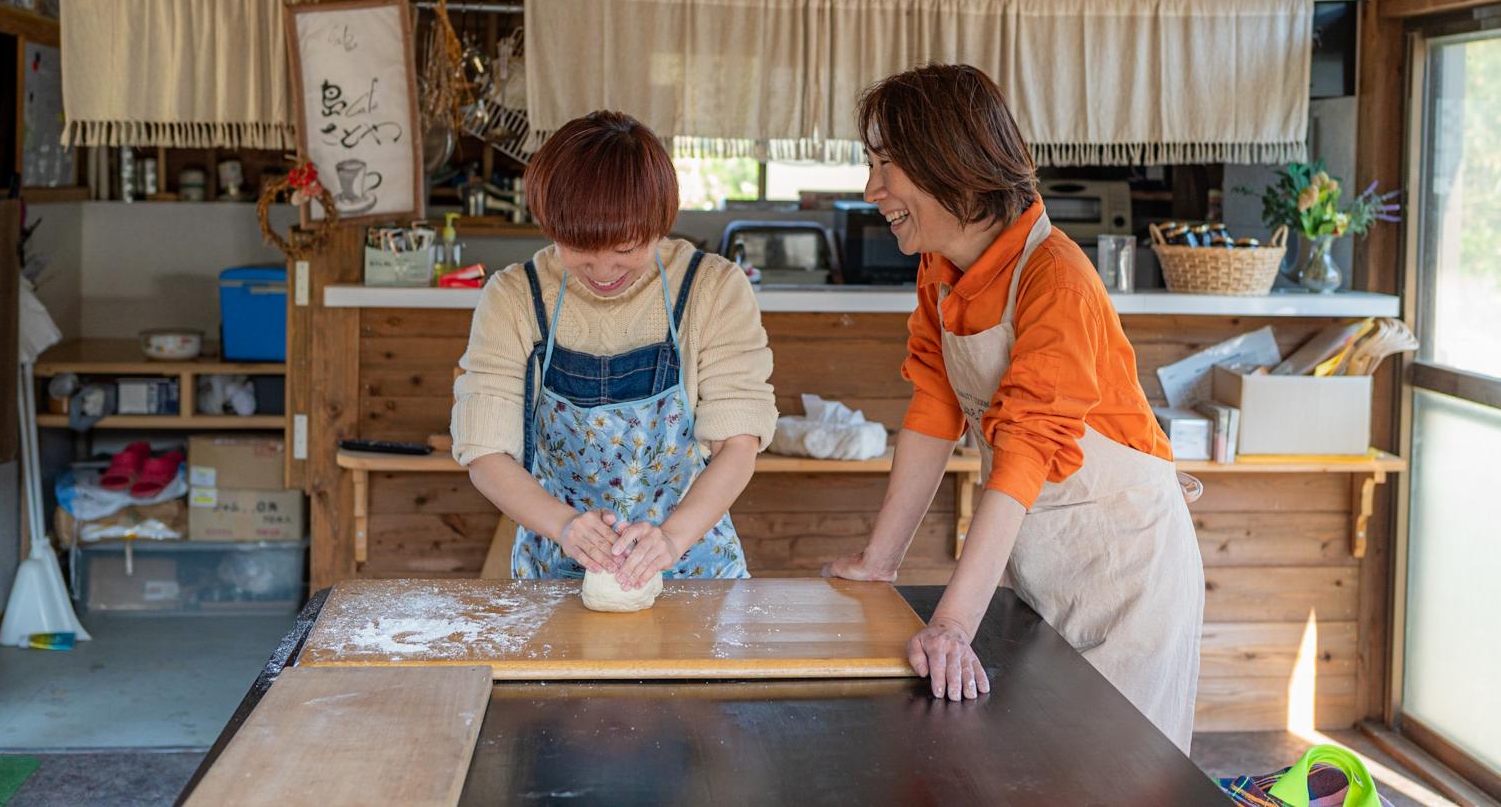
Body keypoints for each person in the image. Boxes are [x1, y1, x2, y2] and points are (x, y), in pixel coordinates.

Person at [824, 64, 1204, 749]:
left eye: (887, 166)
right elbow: (934, 406)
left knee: (1117, 775)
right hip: (1040, 558)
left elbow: (1024, 453)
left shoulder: (1056, 279)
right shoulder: (940, 268)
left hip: (1126, 574)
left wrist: (951, 624)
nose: (871, 190)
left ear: (952, 167)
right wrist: (882, 560)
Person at [452, 111, 778, 589]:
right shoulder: (515, 296)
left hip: (693, 564)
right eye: (578, 248)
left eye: (626, 248)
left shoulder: (712, 288)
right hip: (555, 570)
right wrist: (564, 526)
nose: (603, 269)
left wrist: (670, 539)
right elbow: (485, 453)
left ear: (659, 223)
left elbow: (738, 443)